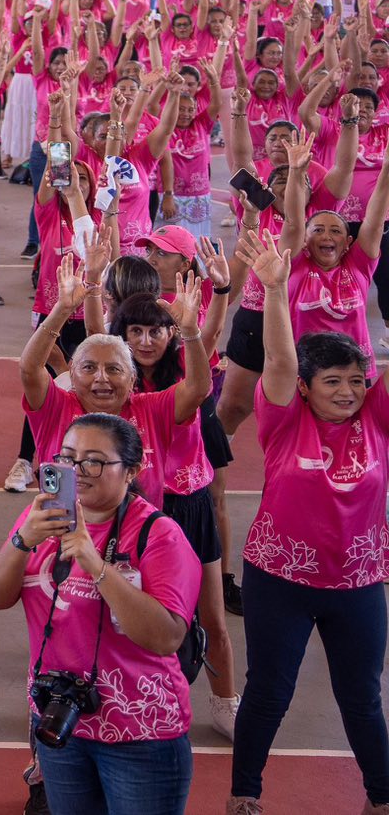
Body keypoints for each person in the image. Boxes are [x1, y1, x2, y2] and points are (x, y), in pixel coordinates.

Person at [226, 233, 389, 815]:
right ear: (305, 388)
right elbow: (277, 360)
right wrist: (274, 291)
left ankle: (380, 796)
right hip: (280, 580)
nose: (348, 392)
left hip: (360, 584)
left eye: (355, 381)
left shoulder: (377, 418)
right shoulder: (282, 420)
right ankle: (245, 790)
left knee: (362, 698)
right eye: (333, 382)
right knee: (269, 692)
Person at [0, 413, 201, 815]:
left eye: (94, 461)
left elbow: (166, 637)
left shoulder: (159, 534)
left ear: (131, 470)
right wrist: (22, 539)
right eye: (67, 458)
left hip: (141, 733)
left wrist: (93, 561)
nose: (77, 471)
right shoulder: (41, 521)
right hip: (63, 722)